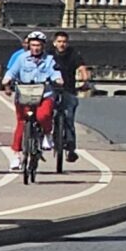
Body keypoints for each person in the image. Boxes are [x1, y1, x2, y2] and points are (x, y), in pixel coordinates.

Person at [0, 31, 61, 171]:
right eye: (33, 45)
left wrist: (57, 78)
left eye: (38, 45)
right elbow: (12, 71)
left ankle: (47, 134)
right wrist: (7, 79)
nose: (36, 48)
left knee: (43, 116)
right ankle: (16, 155)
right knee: (22, 123)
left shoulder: (49, 60)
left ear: (43, 46)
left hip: (44, 94)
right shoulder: (22, 58)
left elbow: (54, 72)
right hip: (25, 95)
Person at [49, 28, 87, 162]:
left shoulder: (73, 54)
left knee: (69, 117)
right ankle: (45, 139)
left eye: (64, 42)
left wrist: (84, 80)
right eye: (59, 41)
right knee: (48, 113)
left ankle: (71, 148)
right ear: (54, 43)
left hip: (68, 89)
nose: (62, 44)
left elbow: (82, 68)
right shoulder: (49, 55)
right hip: (51, 89)